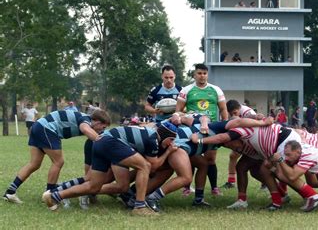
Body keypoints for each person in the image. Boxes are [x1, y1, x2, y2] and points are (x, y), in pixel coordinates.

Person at [42, 125, 175, 216]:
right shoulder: (153, 139)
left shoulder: (148, 132)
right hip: (111, 143)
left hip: (101, 142)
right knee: (145, 166)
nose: (171, 144)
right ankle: (139, 207)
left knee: (98, 186)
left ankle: (54, 196)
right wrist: (168, 151)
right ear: (167, 138)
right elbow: (154, 165)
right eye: (171, 141)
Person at [191, 124, 318, 211]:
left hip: (283, 141)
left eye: (229, 144)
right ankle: (278, 199)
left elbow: (221, 137)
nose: (231, 147)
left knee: (284, 174)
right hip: (277, 143)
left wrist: (199, 140)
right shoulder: (247, 131)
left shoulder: (240, 129)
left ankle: (312, 196)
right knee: (258, 169)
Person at [3, 109, 110, 204]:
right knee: (58, 162)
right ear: (96, 121)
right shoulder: (86, 120)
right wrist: (102, 142)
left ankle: (10, 192)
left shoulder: (87, 120)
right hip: (46, 129)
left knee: (34, 164)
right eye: (102, 127)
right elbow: (85, 129)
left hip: (38, 126)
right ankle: (49, 194)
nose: (101, 130)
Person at [176, 63, 228, 196]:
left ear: (207, 75)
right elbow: (178, 111)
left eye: (204, 73)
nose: (202, 76)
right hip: (192, 129)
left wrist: (224, 125)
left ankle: (214, 188)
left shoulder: (216, 90)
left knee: (211, 159)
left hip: (210, 129)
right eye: (199, 73)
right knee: (192, 156)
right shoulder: (186, 90)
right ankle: (187, 187)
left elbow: (223, 109)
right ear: (194, 75)